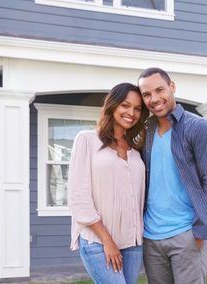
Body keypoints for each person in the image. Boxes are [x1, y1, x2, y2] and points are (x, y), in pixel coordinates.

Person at [137, 67, 207, 283]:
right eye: (146, 94)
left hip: (186, 234)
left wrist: (200, 226)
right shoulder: (146, 132)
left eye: (159, 90)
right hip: (151, 236)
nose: (154, 99)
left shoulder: (198, 127)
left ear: (172, 87)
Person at [68, 83, 149, 284]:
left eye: (137, 108)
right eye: (125, 105)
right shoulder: (87, 140)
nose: (131, 113)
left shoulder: (137, 150)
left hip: (133, 243)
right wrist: (108, 241)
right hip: (98, 241)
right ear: (112, 105)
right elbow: (79, 198)